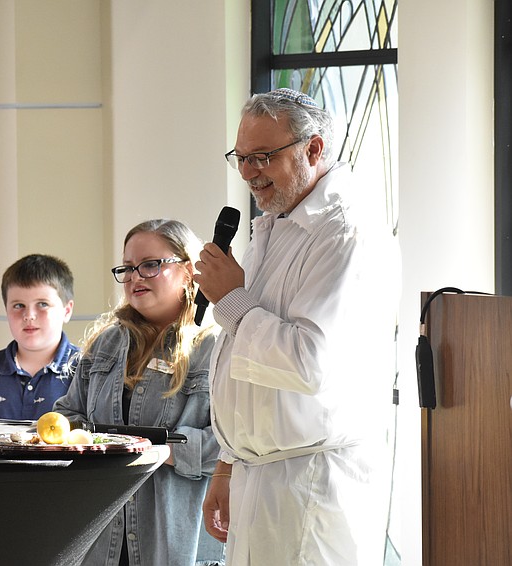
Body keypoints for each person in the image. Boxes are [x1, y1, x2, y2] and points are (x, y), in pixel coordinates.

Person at [195, 88, 399, 565]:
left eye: (263, 157)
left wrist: (230, 300)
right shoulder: (275, 224)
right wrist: (226, 464)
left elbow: (311, 364)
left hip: (311, 486)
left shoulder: (345, 232)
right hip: (259, 478)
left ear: (313, 149)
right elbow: (247, 368)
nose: (248, 173)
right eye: (241, 158)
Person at [54, 219, 225, 566]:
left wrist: (155, 448)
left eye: (150, 265)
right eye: (129, 268)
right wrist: (87, 439)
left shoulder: (217, 347)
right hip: (101, 542)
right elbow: (68, 415)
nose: (135, 277)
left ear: (188, 270)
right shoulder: (105, 343)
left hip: (175, 544)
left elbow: (231, 447)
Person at [0, 253, 78, 421]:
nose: (29, 315)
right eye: (18, 305)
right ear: (6, 309)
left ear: (67, 310)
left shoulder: (85, 370)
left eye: (42, 304)